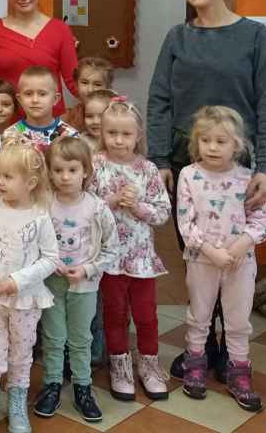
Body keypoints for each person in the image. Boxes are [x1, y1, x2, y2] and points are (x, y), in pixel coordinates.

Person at [148, 0, 266, 383]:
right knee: (198, 255)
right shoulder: (177, 38)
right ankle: (208, 345)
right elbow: (159, 101)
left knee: (233, 256)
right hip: (186, 164)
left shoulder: (255, 37)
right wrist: (159, 159)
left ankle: (229, 344)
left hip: (239, 167)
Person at [176, 106, 266, 412]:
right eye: (206, 140)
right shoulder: (189, 175)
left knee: (238, 320)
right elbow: (185, 222)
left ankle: (239, 371)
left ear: (237, 145)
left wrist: (242, 244)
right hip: (202, 261)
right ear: (196, 142)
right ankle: (195, 363)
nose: (212, 147)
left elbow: (261, 219)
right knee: (199, 315)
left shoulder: (248, 179)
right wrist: (211, 251)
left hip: (240, 263)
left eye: (221, 141)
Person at [0, 136, 58, 433]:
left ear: (30, 182)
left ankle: (17, 403)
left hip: (25, 300)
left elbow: (50, 259)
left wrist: (17, 281)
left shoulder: (40, 215)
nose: (0, 182)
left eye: (8, 176)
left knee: (21, 353)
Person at [90, 98, 171, 402]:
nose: (119, 140)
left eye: (126, 134)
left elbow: (163, 213)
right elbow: (83, 206)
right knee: (114, 313)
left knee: (146, 315)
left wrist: (137, 207)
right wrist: (109, 202)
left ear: (138, 135)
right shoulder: (96, 164)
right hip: (110, 260)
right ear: (103, 133)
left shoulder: (147, 169)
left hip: (141, 260)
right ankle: (120, 366)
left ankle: (149, 365)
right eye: (112, 133)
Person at [34, 137, 116, 423]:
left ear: (85, 172)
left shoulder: (97, 208)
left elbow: (111, 249)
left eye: (71, 170)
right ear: (49, 172)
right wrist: (49, 263)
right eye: (57, 170)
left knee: (81, 338)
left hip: (84, 285)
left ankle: (83, 388)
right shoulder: (44, 205)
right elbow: (34, 242)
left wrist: (87, 269)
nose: (64, 177)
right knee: (54, 337)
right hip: (52, 283)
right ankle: (52, 384)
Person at [4, 66, 79, 153]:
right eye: (28, 94)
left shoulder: (69, 135)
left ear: (55, 99)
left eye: (42, 94)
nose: (35, 100)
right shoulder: (11, 135)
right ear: (20, 99)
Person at [63, 57, 113, 132]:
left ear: (107, 87)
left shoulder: (116, 115)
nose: (90, 90)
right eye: (85, 83)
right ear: (76, 85)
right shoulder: (67, 118)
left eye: (97, 84)